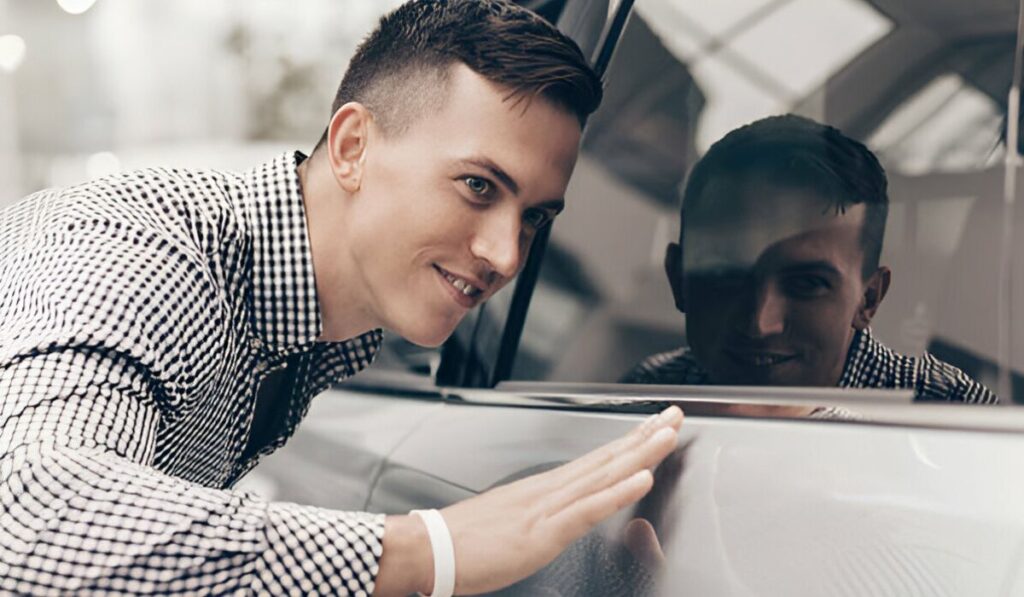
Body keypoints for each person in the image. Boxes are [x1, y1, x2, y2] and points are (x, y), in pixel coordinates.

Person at [0, 1, 685, 595]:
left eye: (534, 217)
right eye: (478, 186)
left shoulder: (322, 331)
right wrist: (432, 549)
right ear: (353, 146)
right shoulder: (137, 248)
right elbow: (31, 518)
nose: (507, 254)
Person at [624, 114, 997, 404]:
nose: (759, 324)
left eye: (807, 284)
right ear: (678, 279)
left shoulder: (955, 413)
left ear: (868, 299)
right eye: (725, 276)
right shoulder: (647, 389)